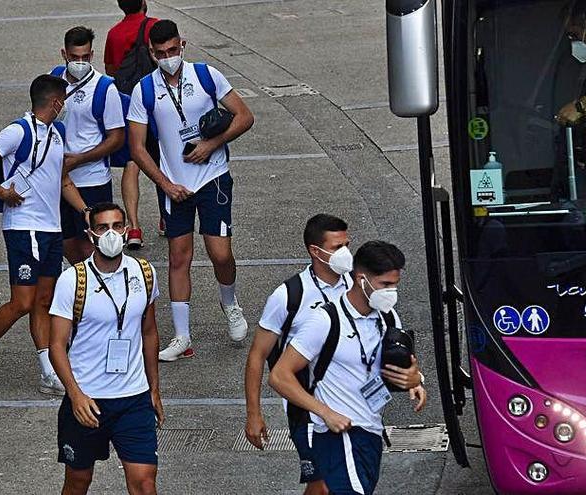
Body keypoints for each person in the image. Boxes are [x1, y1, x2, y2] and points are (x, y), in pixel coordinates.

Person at [127, 19, 255, 361]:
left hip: (213, 178)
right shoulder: (145, 90)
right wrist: (165, 184)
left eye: (173, 50)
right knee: (178, 258)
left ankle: (230, 304)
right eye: (160, 53)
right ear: (151, 53)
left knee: (220, 253)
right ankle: (182, 335)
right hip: (175, 185)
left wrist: (212, 144)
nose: (168, 57)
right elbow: (137, 148)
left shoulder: (206, 75)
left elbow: (244, 116)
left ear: (182, 45)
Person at [0, 74, 89, 395]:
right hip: (23, 227)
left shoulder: (57, 134)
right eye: (63, 102)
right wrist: (1, 192)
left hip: (51, 229)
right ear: (56, 102)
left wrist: (85, 212)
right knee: (22, 301)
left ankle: (48, 371)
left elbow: (62, 181)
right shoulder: (18, 131)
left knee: (44, 301)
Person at [269, 241, 427, 495]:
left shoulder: (388, 317)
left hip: (371, 433)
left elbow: (397, 366)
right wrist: (326, 412)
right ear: (361, 279)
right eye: (385, 285)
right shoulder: (324, 321)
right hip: (337, 435)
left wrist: (415, 380)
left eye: (395, 285)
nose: (392, 292)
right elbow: (279, 376)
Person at [49, 203, 164, 495]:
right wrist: (75, 395)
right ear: (91, 234)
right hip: (89, 399)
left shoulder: (145, 273)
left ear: (126, 230)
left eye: (116, 226)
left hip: (133, 398)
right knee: (78, 481)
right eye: (102, 228)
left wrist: (153, 389)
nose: (111, 234)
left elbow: (149, 332)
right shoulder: (72, 281)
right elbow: (56, 346)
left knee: (145, 482)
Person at [244, 214, 354, 495]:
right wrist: (254, 414)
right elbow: (258, 355)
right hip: (305, 409)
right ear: (315, 251)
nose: (346, 253)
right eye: (337, 247)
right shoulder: (288, 296)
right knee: (324, 485)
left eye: (347, 245)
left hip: (351, 403)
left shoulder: (358, 288)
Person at [55, 26, 125, 264]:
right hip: (59, 178)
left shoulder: (106, 88)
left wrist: (79, 159)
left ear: (92, 55)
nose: (80, 62)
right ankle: (82, 279)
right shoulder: (54, 78)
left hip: (92, 179)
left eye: (85, 57)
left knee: (91, 244)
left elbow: (117, 138)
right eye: (75, 58)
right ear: (64, 54)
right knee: (66, 242)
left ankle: (96, 288)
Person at [104, 0, 163, 246]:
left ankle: (135, 228)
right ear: (143, 3)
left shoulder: (114, 34)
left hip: (128, 104)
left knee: (132, 162)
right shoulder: (155, 26)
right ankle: (166, 218)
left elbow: (110, 70)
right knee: (164, 160)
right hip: (156, 101)